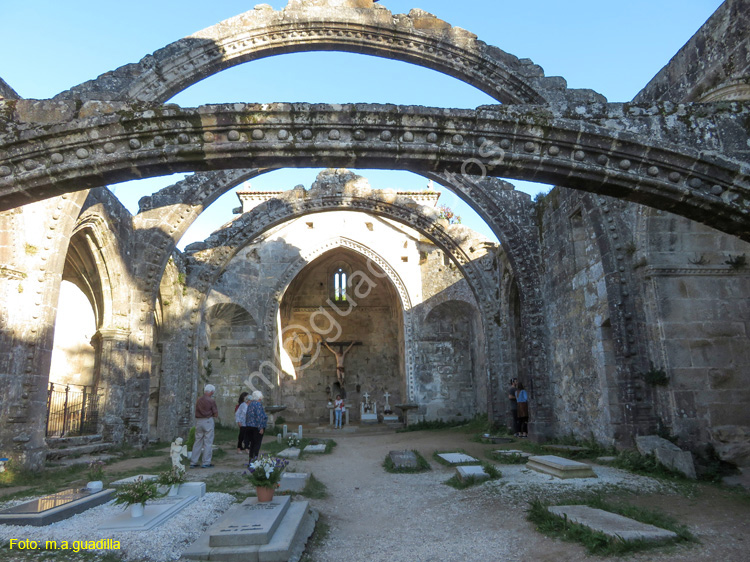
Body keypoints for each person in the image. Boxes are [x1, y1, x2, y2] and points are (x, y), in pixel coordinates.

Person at [190, 384, 219, 468]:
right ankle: (206, 462)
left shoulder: (198, 400)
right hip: (207, 420)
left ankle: (193, 461)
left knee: (197, 441)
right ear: (211, 392)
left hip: (199, 421)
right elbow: (215, 413)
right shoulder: (211, 401)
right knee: (208, 442)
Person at [245, 390, 268, 460]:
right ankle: (254, 460)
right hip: (256, 427)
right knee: (257, 444)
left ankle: (251, 459)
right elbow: (259, 416)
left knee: (252, 444)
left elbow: (247, 415)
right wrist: (261, 427)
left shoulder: (250, 404)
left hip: (249, 426)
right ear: (259, 397)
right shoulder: (258, 404)